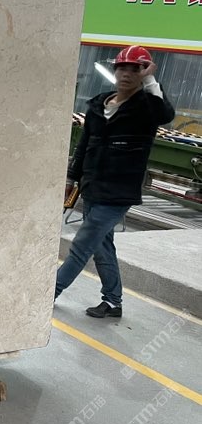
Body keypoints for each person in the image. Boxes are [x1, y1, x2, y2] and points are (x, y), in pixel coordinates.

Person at [55, 45, 175, 318]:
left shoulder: (146, 108)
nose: (127, 74)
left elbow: (165, 115)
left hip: (118, 193)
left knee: (82, 245)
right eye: (122, 68)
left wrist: (150, 80)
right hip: (92, 187)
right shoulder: (98, 105)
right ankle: (113, 302)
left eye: (135, 69)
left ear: (144, 73)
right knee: (102, 246)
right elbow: (84, 145)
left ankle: (48, 293)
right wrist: (71, 178)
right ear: (115, 71)